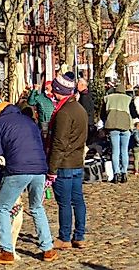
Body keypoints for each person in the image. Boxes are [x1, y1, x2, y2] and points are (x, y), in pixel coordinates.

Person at [0, 100, 57, 264]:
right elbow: (41, 144)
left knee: (2, 207)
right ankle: (48, 249)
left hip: (17, 169)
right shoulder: (29, 121)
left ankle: (6, 251)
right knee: (37, 207)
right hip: (39, 169)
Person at [47, 74, 89, 250]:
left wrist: (51, 168)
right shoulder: (79, 109)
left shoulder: (64, 112)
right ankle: (79, 235)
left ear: (59, 91)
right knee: (77, 200)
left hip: (65, 164)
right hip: (77, 161)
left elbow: (59, 142)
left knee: (64, 202)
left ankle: (64, 237)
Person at [101, 83, 133, 183]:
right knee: (124, 151)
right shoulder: (128, 99)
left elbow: (102, 114)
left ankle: (116, 174)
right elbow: (133, 113)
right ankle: (124, 173)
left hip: (112, 126)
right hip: (125, 126)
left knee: (115, 151)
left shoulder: (108, 98)